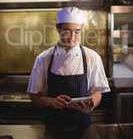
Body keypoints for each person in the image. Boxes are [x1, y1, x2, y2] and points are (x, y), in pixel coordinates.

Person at [27, 7, 110, 139]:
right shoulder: (43, 58)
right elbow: (34, 96)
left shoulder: (92, 57)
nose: (72, 37)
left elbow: (97, 91)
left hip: (83, 128)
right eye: (67, 31)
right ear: (58, 29)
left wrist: (92, 103)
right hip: (52, 128)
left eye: (77, 32)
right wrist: (51, 102)